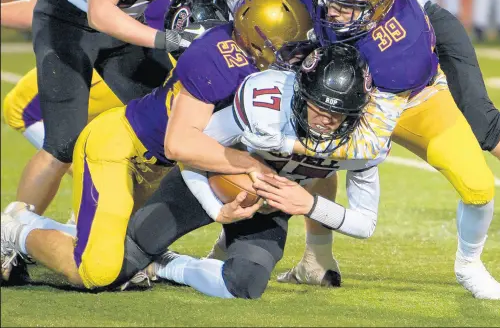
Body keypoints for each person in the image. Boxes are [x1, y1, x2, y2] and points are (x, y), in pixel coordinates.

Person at [222, 0, 500, 300]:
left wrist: (287, 142)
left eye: (346, 8)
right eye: (329, 1)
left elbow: (369, 142)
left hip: (405, 100)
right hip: (339, 83)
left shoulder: (399, 52)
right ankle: (308, 258)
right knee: (300, 155)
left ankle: (469, 263)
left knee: (477, 186)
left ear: (377, 7)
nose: (332, 13)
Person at [0, 0, 311, 289]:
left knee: (124, 257)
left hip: (159, 166)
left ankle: (74, 235)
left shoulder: (251, 59)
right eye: (285, 46)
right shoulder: (218, 60)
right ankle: (15, 227)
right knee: (97, 271)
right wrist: (251, 166)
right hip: (118, 148)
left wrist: (224, 205)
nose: (293, 57)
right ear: (255, 38)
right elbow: (181, 144)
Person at [104, 43, 382, 300]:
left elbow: (366, 223)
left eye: (338, 113)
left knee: (245, 284)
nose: (325, 119)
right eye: (317, 105)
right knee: (119, 262)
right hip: (208, 179)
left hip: (265, 205)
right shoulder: (267, 104)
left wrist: (310, 204)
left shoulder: (367, 139)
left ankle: (167, 265)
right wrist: (216, 209)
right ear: (301, 92)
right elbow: (193, 152)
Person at [13, 0, 250, 218]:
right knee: (62, 144)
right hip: (67, 22)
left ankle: (110, 230)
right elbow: (99, 12)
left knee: (166, 129)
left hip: (128, 23)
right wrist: (167, 40)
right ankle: (12, 234)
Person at [1, 0, 172, 154]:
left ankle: (97, 181)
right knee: (163, 131)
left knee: (22, 110)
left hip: (117, 43)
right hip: (153, 37)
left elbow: (42, 9)